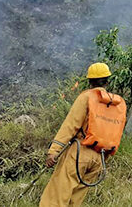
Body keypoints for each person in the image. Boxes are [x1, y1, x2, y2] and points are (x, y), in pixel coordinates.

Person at [40, 63, 127, 207]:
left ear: (90, 81)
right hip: (100, 159)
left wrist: (53, 151)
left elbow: (70, 126)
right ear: (107, 81)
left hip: (80, 153)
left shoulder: (87, 97)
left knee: (56, 197)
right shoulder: (117, 103)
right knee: (76, 200)